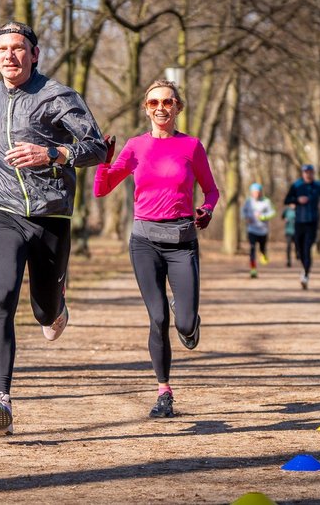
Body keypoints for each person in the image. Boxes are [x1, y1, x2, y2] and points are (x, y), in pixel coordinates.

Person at [0, 21, 106, 436]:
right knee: (1, 297)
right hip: (2, 210)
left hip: (51, 213)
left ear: (34, 53)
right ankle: (0, 398)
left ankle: (56, 305)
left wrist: (51, 153)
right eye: (2, 49)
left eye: (18, 48)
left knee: (43, 311)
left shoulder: (58, 96)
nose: (9, 56)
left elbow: (95, 148)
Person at [93, 80, 219, 419]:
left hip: (181, 242)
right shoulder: (135, 146)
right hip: (145, 242)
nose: (160, 108)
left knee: (185, 322)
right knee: (158, 317)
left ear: (178, 107)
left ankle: (188, 317)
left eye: (167, 101)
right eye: (153, 103)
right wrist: (104, 161)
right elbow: (102, 190)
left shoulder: (192, 146)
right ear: (146, 108)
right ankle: (164, 390)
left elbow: (211, 192)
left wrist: (206, 211)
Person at [283, 164, 320, 289]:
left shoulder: (319, 185)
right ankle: (304, 268)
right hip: (299, 221)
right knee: (299, 248)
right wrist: (297, 200)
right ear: (302, 173)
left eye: (310, 172)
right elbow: (286, 200)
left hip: (313, 221)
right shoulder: (296, 185)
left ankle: (306, 275)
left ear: (313, 173)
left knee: (307, 248)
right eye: (305, 172)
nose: (308, 174)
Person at [241, 182, 275, 278]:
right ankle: (253, 269)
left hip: (263, 230)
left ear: (261, 192)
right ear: (251, 193)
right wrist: (246, 217)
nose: (256, 194)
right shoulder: (248, 202)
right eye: (254, 192)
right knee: (252, 248)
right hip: (252, 229)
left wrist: (263, 217)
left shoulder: (266, 201)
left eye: (258, 192)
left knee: (262, 248)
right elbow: (243, 211)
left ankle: (263, 253)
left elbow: (273, 212)